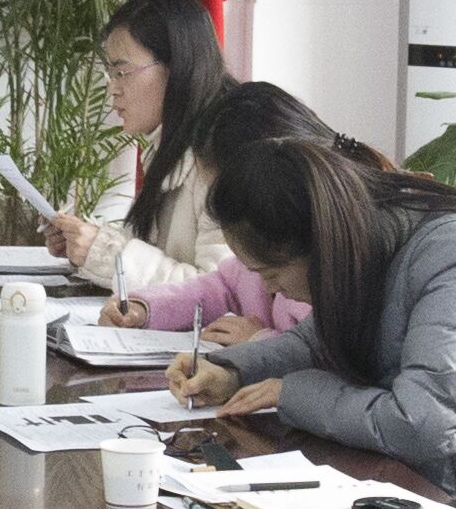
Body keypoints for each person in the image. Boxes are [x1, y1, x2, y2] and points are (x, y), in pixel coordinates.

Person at [173, 140, 456, 509]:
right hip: (423, 492)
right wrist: (234, 370)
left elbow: (422, 425)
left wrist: (292, 394)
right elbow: (318, 340)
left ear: (318, 244)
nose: (271, 291)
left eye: (272, 274)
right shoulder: (370, 237)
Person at [103, 78, 336, 343]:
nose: (219, 210)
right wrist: (145, 308)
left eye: (223, 196)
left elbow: (326, 357)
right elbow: (222, 286)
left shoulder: (327, 266)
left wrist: (259, 340)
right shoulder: (264, 239)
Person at [47, 0, 235, 302]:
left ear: (177, 66)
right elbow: (159, 253)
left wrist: (102, 253)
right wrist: (82, 241)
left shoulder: (225, 152)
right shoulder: (170, 140)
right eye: (110, 74)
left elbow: (222, 294)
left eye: (122, 72)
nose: (112, 89)